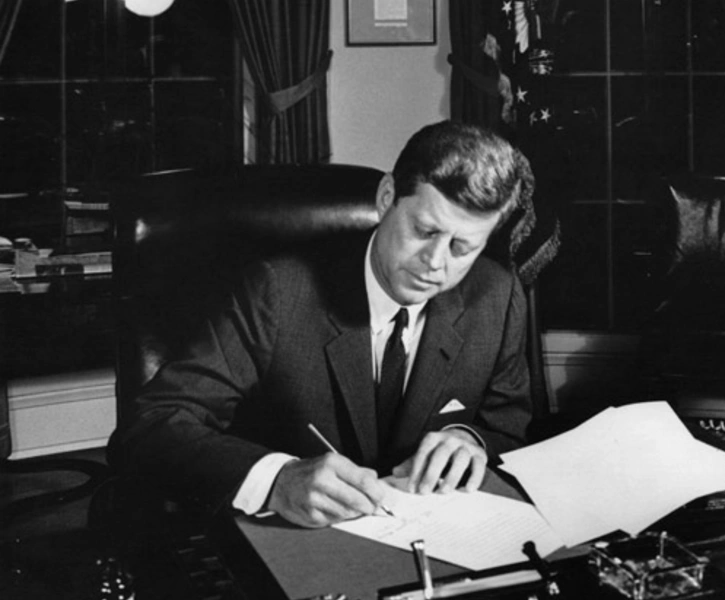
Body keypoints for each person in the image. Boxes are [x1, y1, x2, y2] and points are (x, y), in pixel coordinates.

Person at [107, 120, 535, 528]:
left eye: (463, 247)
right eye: (424, 231)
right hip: (291, 543)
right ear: (387, 197)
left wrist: (469, 441)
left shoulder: (496, 295)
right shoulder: (278, 291)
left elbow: (508, 426)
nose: (436, 264)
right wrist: (277, 480)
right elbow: (152, 427)